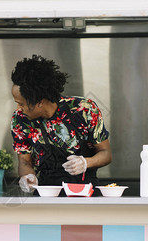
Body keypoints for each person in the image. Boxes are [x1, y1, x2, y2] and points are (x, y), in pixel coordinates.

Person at [10, 54, 112, 193]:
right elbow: (25, 161)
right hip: (47, 194)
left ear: (39, 102)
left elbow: (106, 153)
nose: (18, 109)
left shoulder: (83, 109)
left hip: (85, 194)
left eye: (21, 104)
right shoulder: (20, 120)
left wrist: (85, 163)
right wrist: (27, 176)